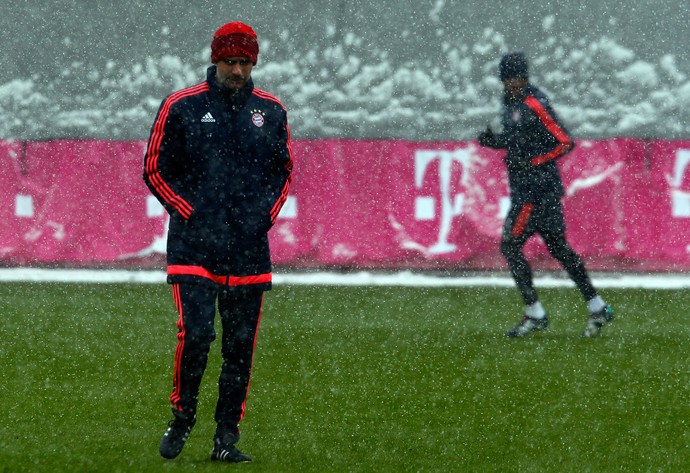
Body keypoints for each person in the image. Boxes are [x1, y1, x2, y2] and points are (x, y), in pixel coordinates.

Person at [143, 21, 293, 463]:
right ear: (215, 59)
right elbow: (153, 167)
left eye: (246, 62)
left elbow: (283, 170)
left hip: (248, 249)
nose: (238, 71)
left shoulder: (272, 111)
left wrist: (265, 216)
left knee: (240, 347)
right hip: (194, 246)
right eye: (231, 61)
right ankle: (183, 416)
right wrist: (188, 211)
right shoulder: (181, 105)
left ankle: (226, 438)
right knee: (198, 333)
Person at [477, 51, 613, 338]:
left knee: (511, 245)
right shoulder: (510, 103)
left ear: (525, 78)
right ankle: (597, 306)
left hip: (534, 192)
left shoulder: (534, 103)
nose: (513, 83)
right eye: (508, 79)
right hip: (534, 190)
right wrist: (496, 143)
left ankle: (535, 313)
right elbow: (521, 142)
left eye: (517, 78)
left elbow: (564, 142)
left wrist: (532, 163)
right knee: (558, 249)